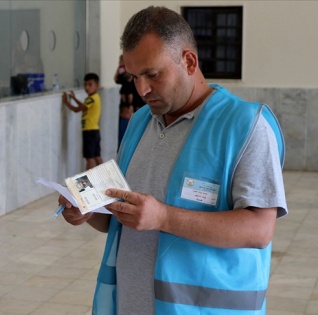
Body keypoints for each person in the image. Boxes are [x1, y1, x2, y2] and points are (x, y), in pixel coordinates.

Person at [58, 6, 286, 315]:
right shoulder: (140, 122)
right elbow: (124, 218)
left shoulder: (245, 125)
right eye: (134, 77)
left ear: (189, 61)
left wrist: (164, 217)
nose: (142, 90)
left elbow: (260, 230)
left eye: (152, 75)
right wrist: (87, 210)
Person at [62, 73, 103, 170]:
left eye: (90, 84)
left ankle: (88, 183)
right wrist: (73, 98)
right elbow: (84, 106)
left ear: (96, 86)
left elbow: (78, 109)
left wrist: (66, 102)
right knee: (96, 156)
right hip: (95, 130)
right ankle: (107, 178)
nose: (87, 87)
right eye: (85, 84)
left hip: (89, 131)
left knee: (89, 158)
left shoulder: (91, 99)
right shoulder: (94, 97)